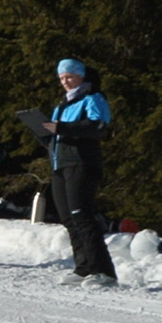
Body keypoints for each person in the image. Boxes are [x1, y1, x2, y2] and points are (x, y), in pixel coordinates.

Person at [44, 58, 117, 280]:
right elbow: (59, 134)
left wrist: (62, 128)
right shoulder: (62, 105)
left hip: (81, 163)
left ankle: (102, 270)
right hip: (60, 164)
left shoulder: (92, 98)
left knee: (82, 216)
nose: (65, 82)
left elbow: (97, 126)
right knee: (68, 218)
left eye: (69, 76)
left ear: (81, 76)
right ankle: (84, 267)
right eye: (61, 78)